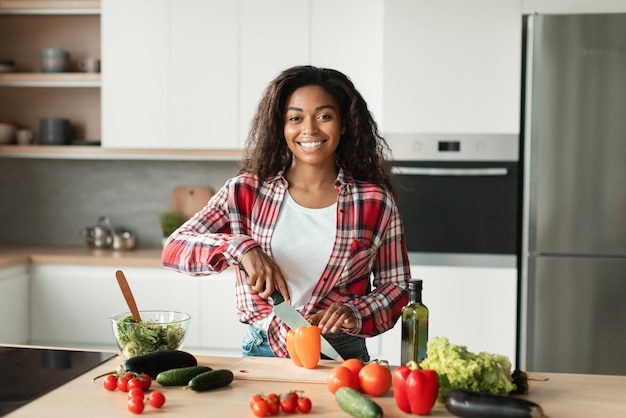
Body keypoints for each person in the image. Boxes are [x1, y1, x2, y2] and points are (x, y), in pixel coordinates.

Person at [162, 65, 411, 361]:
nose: (310, 130)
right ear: (281, 126)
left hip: (342, 354)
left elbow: (396, 287)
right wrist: (240, 248)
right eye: (295, 118)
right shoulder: (245, 191)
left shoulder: (374, 202)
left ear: (343, 124)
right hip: (263, 351)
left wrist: (356, 312)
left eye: (324, 116)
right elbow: (174, 248)